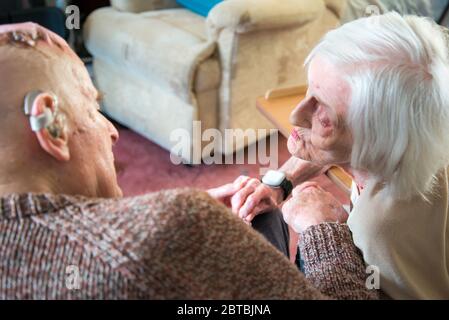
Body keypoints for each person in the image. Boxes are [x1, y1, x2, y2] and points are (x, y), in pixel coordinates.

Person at [0, 22, 378, 299]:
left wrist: (162, 219)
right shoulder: (174, 226)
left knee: (262, 215)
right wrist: (322, 232)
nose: (112, 132)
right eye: (92, 106)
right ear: (50, 125)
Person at [211, 12, 449, 299]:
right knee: (263, 217)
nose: (295, 115)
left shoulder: (374, 232)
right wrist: (280, 182)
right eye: (309, 89)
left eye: (324, 116)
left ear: (374, 144)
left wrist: (321, 231)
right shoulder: (421, 130)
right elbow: (331, 143)